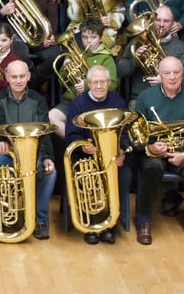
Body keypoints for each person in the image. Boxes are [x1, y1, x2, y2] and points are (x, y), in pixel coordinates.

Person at [134, 56, 184, 249]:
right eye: (167, 73)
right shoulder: (145, 97)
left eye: (176, 72)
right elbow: (135, 131)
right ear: (159, 75)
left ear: (182, 74)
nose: (172, 77)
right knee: (151, 168)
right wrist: (150, 146)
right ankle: (143, 222)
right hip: (156, 153)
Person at [0, 60, 56, 239]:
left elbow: (45, 129)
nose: (18, 80)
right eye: (14, 76)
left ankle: (39, 220)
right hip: (7, 152)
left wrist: (48, 157)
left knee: (50, 172)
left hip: (33, 154)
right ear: (7, 77)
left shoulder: (38, 100)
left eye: (22, 76)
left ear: (28, 77)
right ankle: (2, 218)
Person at [64, 65, 131, 245]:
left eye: (103, 82)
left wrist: (122, 150)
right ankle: (91, 222)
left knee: (124, 175)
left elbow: (125, 133)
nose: (99, 86)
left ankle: (111, 223)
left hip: (112, 156)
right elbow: (71, 134)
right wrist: (83, 146)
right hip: (86, 156)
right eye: (95, 82)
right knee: (85, 177)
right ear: (88, 83)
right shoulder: (78, 103)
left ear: (109, 83)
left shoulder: (118, 103)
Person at [48, 17, 117, 139]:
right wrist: (65, 68)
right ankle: (77, 143)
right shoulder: (74, 52)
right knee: (52, 116)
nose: (88, 41)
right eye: (85, 37)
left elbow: (112, 85)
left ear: (100, 38)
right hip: (72, 100)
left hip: (95, 103)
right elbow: (62, 81)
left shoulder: (106, 58)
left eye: (93, 37)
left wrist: (86, 85)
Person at [117, 5, 184, 104]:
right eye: (158, 20)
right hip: (140, 99)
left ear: (172, 23)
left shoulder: (181, 47)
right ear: (151, 21)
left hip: (171, 99)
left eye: (166, 21)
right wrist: (136, 61)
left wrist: (165, 80)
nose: (161, 24)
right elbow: (120, 71)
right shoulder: (137, 43)